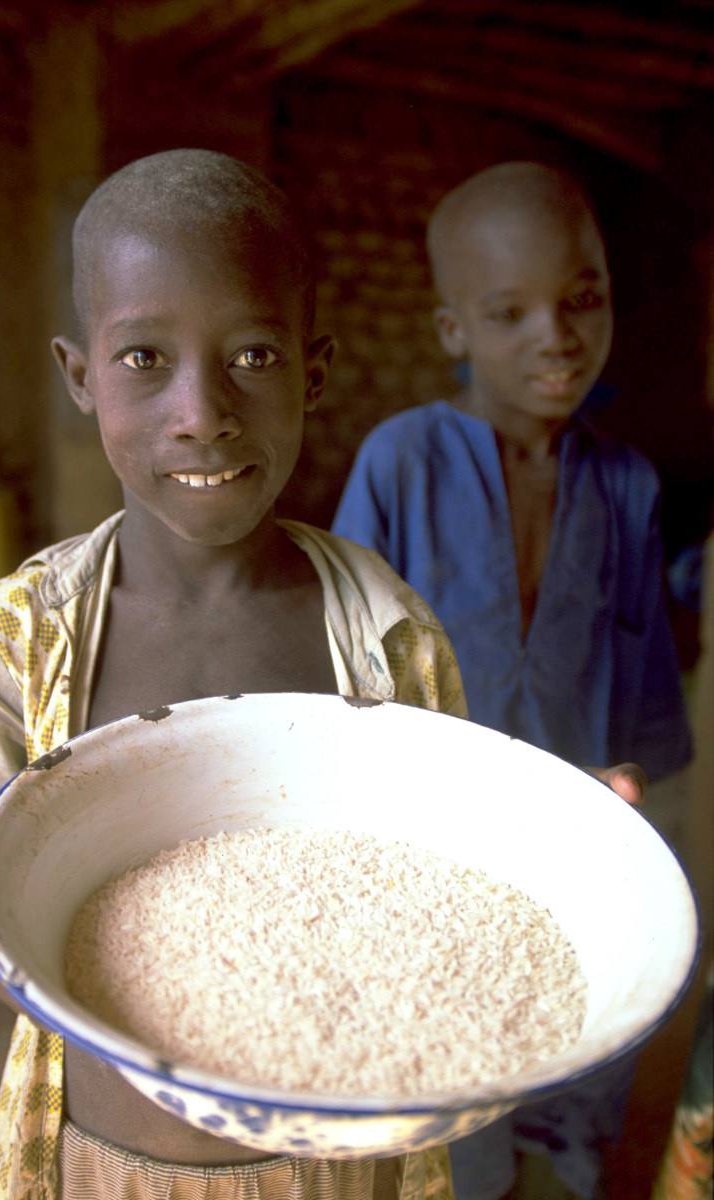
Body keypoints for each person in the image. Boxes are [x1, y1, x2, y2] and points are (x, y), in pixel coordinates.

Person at [0, 150, 644, 1200]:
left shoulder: (385, 631)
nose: (201, 409)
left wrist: (557, 841)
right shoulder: (16, 638)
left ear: (312, 368)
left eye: (253, 355)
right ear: (79, 375)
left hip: (342, 1173)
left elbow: (440, 864)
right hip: (105, 1161)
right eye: (143, 360)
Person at [332, 162, 693, 1199]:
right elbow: (348, 661)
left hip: (577, 827)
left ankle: (560, 1166)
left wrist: (639, 791)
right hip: (434, 839)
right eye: (510, 312)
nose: (556, 336)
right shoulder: (402, 460)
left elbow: (642, 659)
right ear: (454, 331)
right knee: (454, 1059)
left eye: (581, 301)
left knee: (577, 1043)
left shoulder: (623, 481)